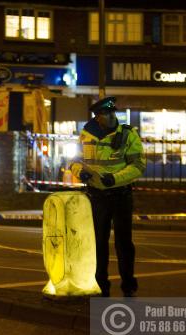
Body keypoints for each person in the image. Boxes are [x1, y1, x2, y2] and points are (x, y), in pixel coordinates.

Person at [70, 97, 146, 297]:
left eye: (113, 112)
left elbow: (138, 166)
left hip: (121, 195)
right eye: (107, 113)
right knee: (98, 243)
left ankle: (128, 285)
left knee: (124, 244)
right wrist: (80, 172)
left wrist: (115, 178)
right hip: (97, 197)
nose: (112, 116)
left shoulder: (128, 134)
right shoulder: (86, 136)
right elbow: (74, 161)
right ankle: (101, 285)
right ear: (98, 117)